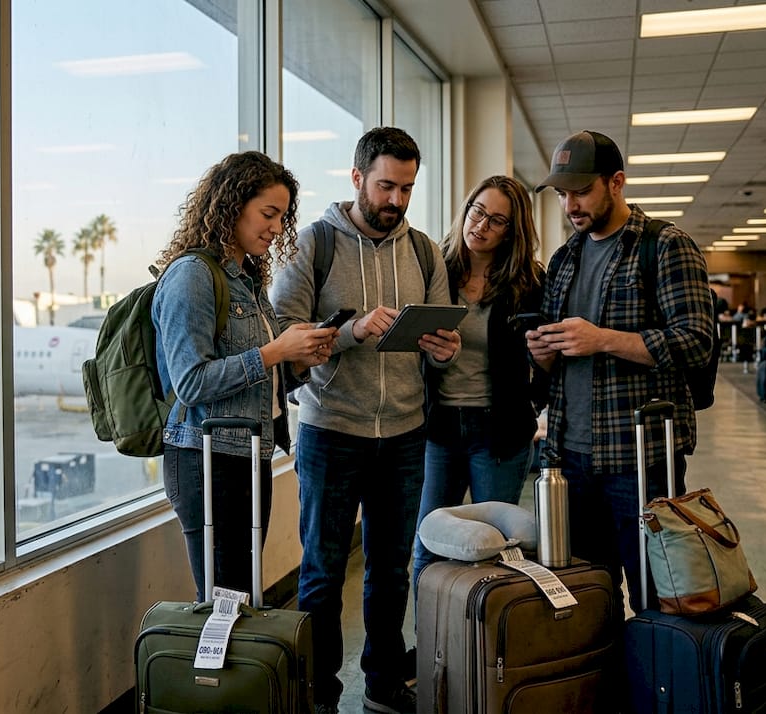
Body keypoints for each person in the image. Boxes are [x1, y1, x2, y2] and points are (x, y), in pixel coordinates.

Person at [270, 127, 460, 714]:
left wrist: (443, 348)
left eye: (406, 188)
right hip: (331, 433)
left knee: (389, 570)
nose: (396, 201)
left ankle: (382, 682)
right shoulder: (312, 245)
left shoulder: (426, 251)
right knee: (323, 573)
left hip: (405, 435)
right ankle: (319, 694)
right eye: (385, 186)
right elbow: (283, 336)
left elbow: (442, 338)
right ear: (357, 179)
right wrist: (349, 332)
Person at [526, 130, 714, 621]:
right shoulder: (565, 259)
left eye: (582, 190)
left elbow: (696, 342)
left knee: (656, 595)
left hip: (642, 459)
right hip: (568, 457)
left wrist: (603, 338)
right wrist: (543, 353)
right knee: (588, 597)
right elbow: (553, 370)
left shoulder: (666, 246)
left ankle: (653, 690)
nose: (570, 204)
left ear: (617, 183)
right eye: (563, 193)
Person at [151, 151, 337, 604]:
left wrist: (297, 361)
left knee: (240, 596)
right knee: (222, 598)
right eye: (267, 214)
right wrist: (275, 351)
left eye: (282, 216)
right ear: (232, 206)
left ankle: (233, 674)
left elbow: (258, 380)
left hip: (248, 452)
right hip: (204, 456)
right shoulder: (192, 276)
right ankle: (213, 676)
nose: (276, 228)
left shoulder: (248, 282)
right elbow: (191, 383)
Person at [410, 175, 546, 596]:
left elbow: (545, 359)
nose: (481, 226)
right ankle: (435, 642)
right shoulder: (435, 272)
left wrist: (534, 401)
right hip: (440, 427)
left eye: (497, 221)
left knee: (494, 547)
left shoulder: (528, 285)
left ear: (513, 232)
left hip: (499, 432)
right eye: (477, 211)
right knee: (428, 543)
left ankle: (484, 649)